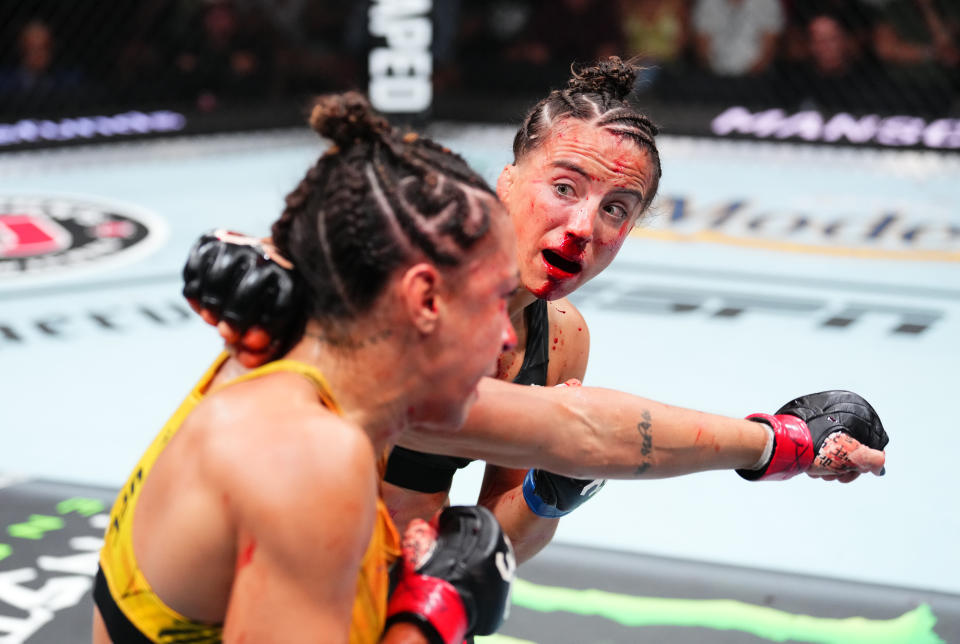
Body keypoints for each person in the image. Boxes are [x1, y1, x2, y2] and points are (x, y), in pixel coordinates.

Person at [181, 58, 888, 565]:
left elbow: (502, 532)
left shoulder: (561, 339)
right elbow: (582, 429)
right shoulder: (409, 265)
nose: (585, 226)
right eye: (564, 186)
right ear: (506, 182)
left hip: (384, 587)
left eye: (616, 209)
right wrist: (251, 259)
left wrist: (551, 493)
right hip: (258, 560)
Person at [93, 92, 516, 644]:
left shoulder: (283, 382)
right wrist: (428, 620)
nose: (508, 336)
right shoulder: (310, 456)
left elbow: (572, 428)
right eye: (496, 300)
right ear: (426, 300)